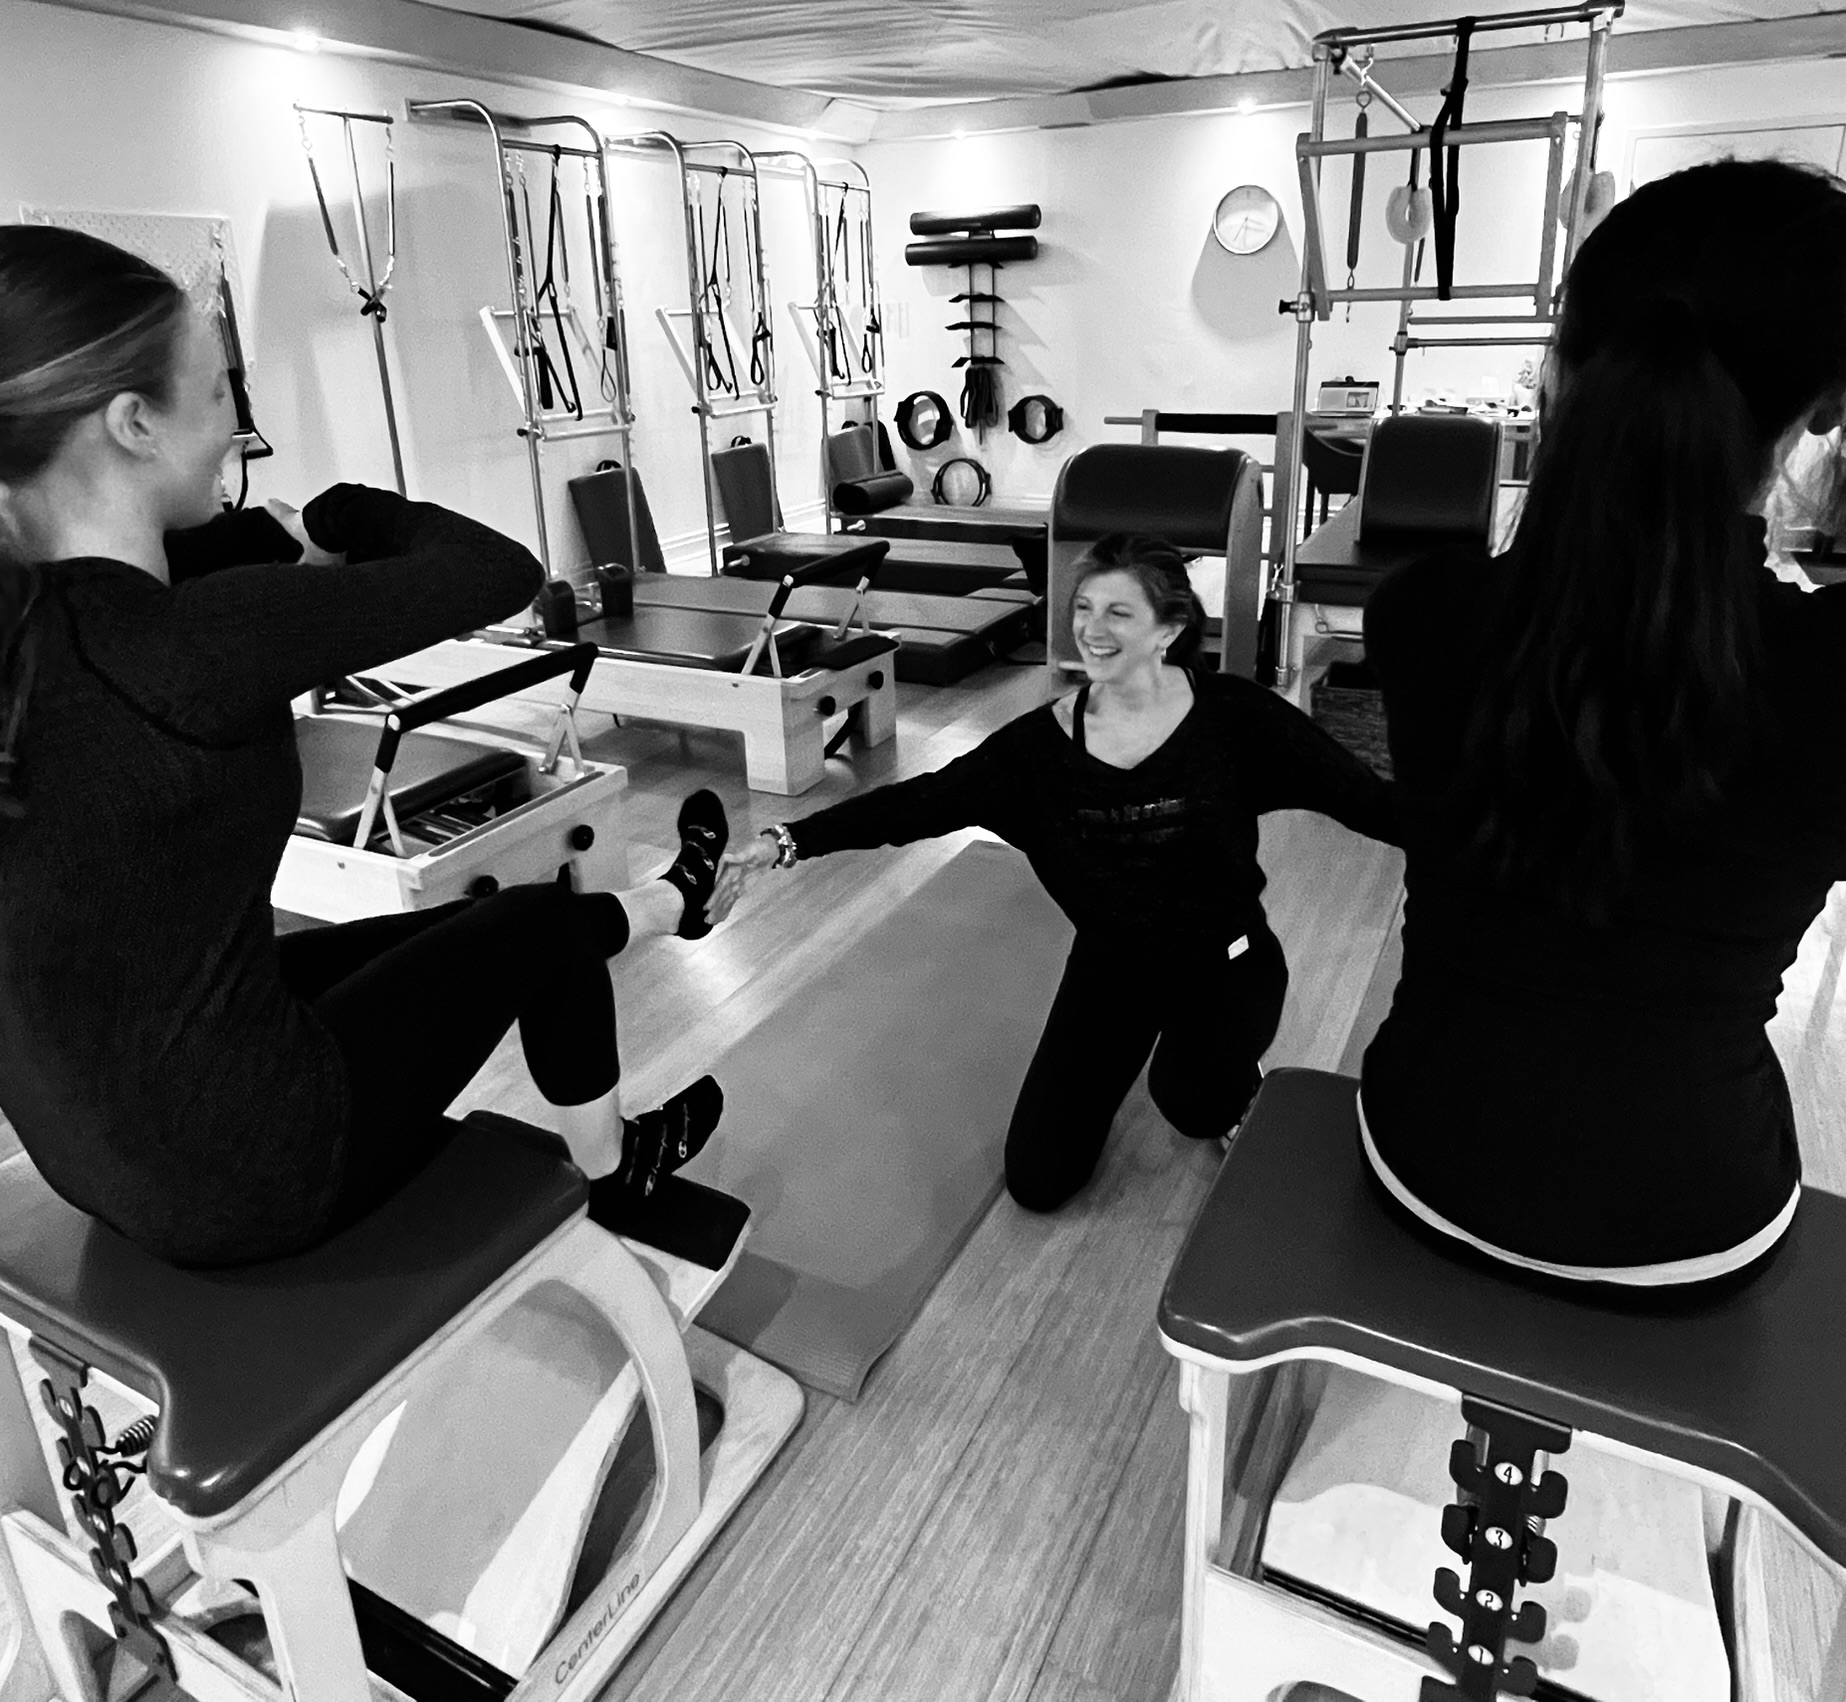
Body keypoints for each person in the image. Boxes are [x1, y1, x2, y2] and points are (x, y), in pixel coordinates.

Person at [0, 224, 733, 1268]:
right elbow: (495, 569)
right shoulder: (194, 641)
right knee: (525, 928)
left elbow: (204, 556)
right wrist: (346, 509)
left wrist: (275, 538)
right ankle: (618, 1167)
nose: (236, 427)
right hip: (245, 1174)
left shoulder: (32, 625)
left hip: (98, 1148)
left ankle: (674, 903)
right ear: (133, 425)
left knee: (474, 929)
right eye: (218, 397)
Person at [1360, 158, 1846, 1288]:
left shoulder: (1419, 615)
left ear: (1561, 365)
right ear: (1824, 403)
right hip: (1686, 1219)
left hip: (1424, 1151)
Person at [716, 533, 1398, 1213]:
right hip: (1112, 971)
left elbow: (1364, 799)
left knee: (1190, 1103)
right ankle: (1173, 1061)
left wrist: (1483, 853)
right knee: (1038, 1182)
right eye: (1083, 608)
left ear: (1171, 629)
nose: (1091, 632)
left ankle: (1225, 1075)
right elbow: (917, 804)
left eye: (1118, 614)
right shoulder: (1035, 754)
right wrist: (786, 841)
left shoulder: (1236, 720)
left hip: (1224, 961)